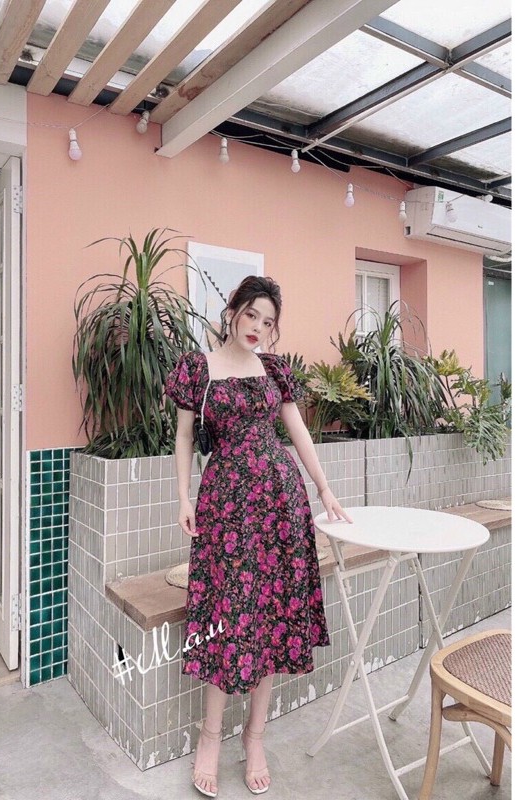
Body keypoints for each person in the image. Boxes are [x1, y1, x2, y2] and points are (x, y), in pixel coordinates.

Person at [164, 275, 352, 797]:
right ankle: (210, 737)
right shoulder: (197, 369)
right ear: (233, 312)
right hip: (226, 505)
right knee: (227, 615)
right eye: (252, 315)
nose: (258, 328)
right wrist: (183, 497)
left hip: (279, 503)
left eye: (268, 322)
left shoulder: (274, 369)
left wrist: (325, 489)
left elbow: (298, 430)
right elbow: (183, 437)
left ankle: (254, 738)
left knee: (269, 617)